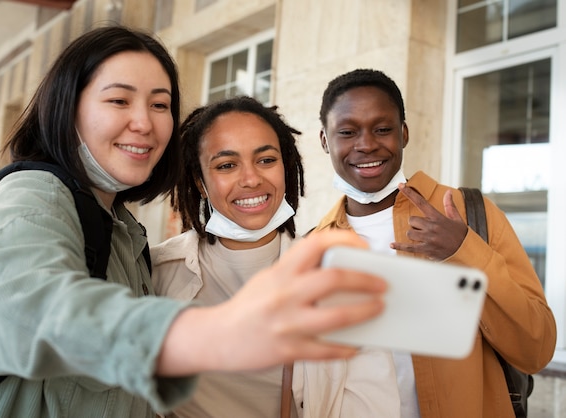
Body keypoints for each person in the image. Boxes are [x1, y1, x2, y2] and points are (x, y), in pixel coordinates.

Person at [0, 27, 390, 418]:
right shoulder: (32, 195)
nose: (144, 122)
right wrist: (216, 334)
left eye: (160, 105)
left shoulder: (122, 232)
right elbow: (35, 311)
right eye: (119, 100)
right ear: (67, 106)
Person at [314, 68, 557, 418]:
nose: (366, 144)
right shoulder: (316, 246)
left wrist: (464, 251)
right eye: (347, 132)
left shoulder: (470, 213)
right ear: (325, 141)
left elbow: (537, 348)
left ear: (404, 134)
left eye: (382, 129)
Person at [151, 95, 400, 418]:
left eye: (266, 160)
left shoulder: (336, 279)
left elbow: (374, 405)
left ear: (286, 166)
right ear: (200, 182)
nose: (252, 179)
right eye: (227, 165)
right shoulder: (156, 272)